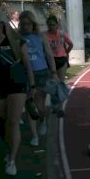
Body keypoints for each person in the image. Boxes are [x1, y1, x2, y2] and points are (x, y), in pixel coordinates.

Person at [0, 9, 36, 175]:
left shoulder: (16, 40)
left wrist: (32, 86)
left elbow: (27, 64)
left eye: (0, 24)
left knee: (13, 121)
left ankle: (12, 161)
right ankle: (8, 149)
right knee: (1, 121)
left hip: (17, 83)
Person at [19, 11, 59, 146]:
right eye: (22, 24)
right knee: (30, 104)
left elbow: (49, 55)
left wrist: (54, 72)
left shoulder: (40, 36)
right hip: (24, 74)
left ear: (33, 24)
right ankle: (34, 135)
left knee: (40, 106)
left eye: (28, 24)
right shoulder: (18, 37)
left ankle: (43, 120)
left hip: (41, 73)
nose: (25, 27)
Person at [45, 15, 73, 117]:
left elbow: (70, 44)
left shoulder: (61, 34)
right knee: (52, 84)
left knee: (60, 84)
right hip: (50, 61)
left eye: (53, 25)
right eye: (49, 25)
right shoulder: (45, 35)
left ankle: (60, 108)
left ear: (57, 25)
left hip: (61, 59)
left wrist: (66, 52)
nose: (51, 27)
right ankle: (54, 105)